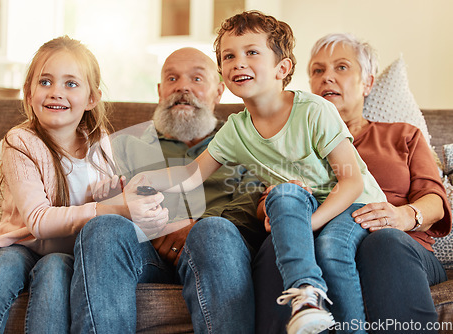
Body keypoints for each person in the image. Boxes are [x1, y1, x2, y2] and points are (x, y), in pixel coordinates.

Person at [133, 11, 386, 334]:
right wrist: (146, 179)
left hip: (354, 206)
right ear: (223, 75)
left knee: (331, 250)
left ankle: (325, 311)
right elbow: (193, 173)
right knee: (283, 195)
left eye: (252, 52)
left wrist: (307, 225)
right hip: (297, 203)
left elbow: (352, 182)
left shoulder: (314, 111)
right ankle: (306, 303)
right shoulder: (236, 129)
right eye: (229, 55)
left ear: (282, 68)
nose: (239, 62)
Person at [0, 36, 168, 334]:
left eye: (71, 84)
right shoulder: (21, 142)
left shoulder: (99, 140)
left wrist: (111, 193)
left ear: (92, 98)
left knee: (54, 270)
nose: (56, 93)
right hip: (21, 244)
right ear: (28, 93)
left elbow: (96, 202)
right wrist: (110, 206)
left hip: (68, 252)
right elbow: (38, 221)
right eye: (45, 82)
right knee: (1, 271)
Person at [253, 33, 452, 334]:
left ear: (368, 84)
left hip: (400, 247)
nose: (327, 78)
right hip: (316, 246)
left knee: (384, 241)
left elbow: (435, 202)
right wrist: (274, 207)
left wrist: (401, 216)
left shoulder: (403, 135)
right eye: (318, 71)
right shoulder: (289, 142)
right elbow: (264, 208)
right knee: (275, 246)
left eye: (342, 67)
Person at [70, 47, 266, 333]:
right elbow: (105, 200)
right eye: (172, 78)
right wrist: (155, 228)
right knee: (103, 228)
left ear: (219, 91)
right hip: (146, 255)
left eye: (197, 79)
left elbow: (254, 199)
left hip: (218, 250)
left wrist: (195, 227)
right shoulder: (122, 145)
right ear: (160, 91)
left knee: (213, 232)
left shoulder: (245, 140)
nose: (182, 87)